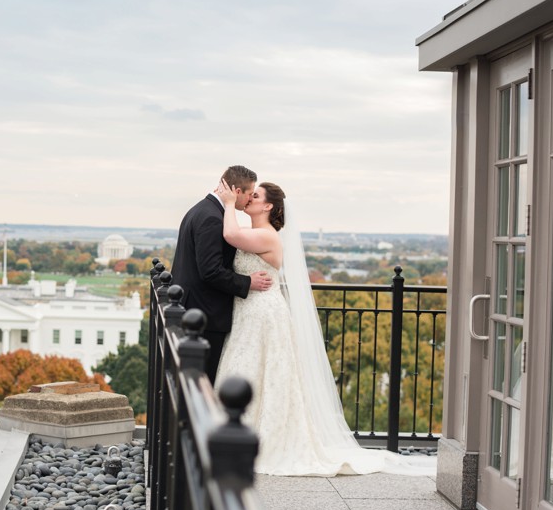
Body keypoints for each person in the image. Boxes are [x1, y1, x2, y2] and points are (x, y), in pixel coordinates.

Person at [214, 179, 435, 476]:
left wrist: (229, 204)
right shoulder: (255, 232)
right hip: (248, 313)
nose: (249, 199)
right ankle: (234, 435)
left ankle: (258, 440)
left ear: (268, 206)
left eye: (255, 196)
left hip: (264, 314)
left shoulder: (268, 236)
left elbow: (230, 234)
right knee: (246, 369)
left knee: (265, 374)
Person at [171, 166, 273, 384]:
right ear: (237, 191)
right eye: (249, 193)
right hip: (205, 315)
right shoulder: (212, 218)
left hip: (194, 310)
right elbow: (210, 271)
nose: (248, 199)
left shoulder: (202, 209)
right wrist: (248, 282)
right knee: (200, 385)